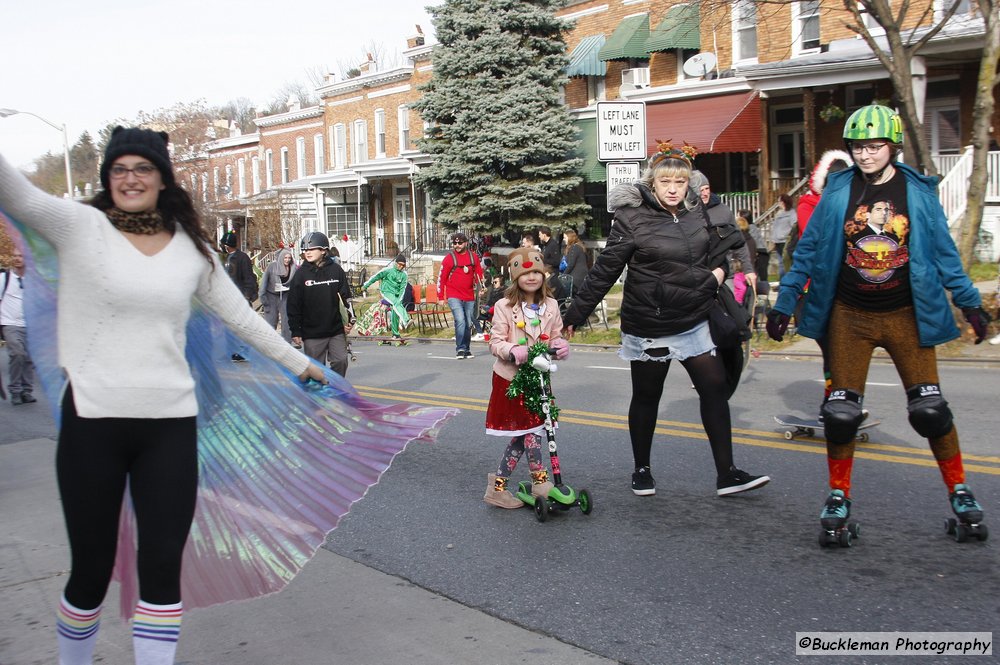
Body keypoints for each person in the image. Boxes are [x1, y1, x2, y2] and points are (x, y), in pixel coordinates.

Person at [0, 126, 327, 665]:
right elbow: (15, 194)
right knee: (89, 569)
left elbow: (242, 317)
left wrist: (300, 364)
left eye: (142, 168)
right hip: (92, 424)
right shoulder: (80, 225)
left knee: (160, 567)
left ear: (161, 178)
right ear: (108, 178)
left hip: (169, 427)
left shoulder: (191, 251)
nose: (131, 178)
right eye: (119, 169)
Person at [765, 104, 992, 539]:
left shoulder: (918, 193)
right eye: (858, 147)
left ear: (892, 147)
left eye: (874, 147)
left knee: (930, 410)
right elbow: (808, 251)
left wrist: (971, 304)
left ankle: (960, 490)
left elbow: (945, 255)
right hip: (850, 316)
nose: (865, 155)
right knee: (841, 414)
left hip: (907, 315)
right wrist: (784, 302)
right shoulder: (838, 192)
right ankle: (838, 494)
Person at [562, 141, 770, 498]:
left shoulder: (695, 213)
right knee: (647, 396)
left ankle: (727, 473)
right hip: (651, 323)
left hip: (693, 318)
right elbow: (606, 270)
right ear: (652, 183)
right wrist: (576, 314)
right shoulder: (632, 218)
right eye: (666, 183)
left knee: (715, 390)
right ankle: (641, 470)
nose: (673, 189)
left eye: (680, 182)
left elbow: (717, 255)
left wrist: (716, 276)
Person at [483, 247, 570, 508]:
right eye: (525, 272)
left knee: (531, 432)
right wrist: (512, 349)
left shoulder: (551, 305)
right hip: (512, 379)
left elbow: (555, 334)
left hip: (539, 378)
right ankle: (537, 482)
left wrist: (561, 345)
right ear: (515, 276)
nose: (531, 277)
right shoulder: (504, 306)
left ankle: (500, 486)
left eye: (536, 271)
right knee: (529, 430)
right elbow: (495, 342)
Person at [795, 149, 853, 406]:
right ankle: (833, 399)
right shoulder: (808, 205)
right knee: (831, 348)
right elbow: (816, 241)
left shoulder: (854, 202)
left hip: (849, 287)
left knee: (845, 351)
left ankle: (843, 398)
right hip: (816, 289)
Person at [287, 231, 356, 377]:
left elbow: (346, 297)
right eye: (305, 250)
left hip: (335, 329)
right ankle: (318, 396)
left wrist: (350, 319)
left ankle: (335, 387)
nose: (308, 252)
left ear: (323, 250)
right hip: (312, 332)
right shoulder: (301, 274)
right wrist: (295, 330)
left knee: (341, 360)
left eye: (312, 249)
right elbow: (293, 304)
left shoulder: (336, 270)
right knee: (316, 370)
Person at [691, 171, 757, 294]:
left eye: (707, 189)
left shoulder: (723, 211)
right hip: (696, 277)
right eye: (701, 190)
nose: (705, 193)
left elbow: (739, 241)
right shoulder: (686, 213)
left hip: (724, 275)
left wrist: (748, 269)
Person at [438, 232, 484, 359]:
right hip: (454, 295)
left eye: (460, 243)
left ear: (466, 243)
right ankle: (460, 348)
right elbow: (441, 278)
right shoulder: (449, 258)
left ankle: (467, 348)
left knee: (468, 323)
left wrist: (481, 287)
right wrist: (441, 296)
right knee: (460, 320)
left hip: (469, 295)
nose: (457, 245)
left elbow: (479, 274)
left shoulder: (473, 257)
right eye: (455, 243)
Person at [1, 247, 36, 404]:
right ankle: (15, 390)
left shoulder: (34, 280)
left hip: (30, 325)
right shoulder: (4, 279)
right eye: (15, 256)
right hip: (10, 324)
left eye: (21, 256)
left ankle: (26, 391)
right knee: (17, 353)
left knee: (29, 358)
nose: (17, 258)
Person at [361, 254, 411, 344]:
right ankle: (406, 321)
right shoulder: (387, 270)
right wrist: (365, 285)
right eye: (399, 264)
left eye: (403, 265)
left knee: (396, 308)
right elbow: (375, 277)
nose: (401, 267)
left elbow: (403, 288)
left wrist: (400, 299)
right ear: (395, 263)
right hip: (386, 291)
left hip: (396, 294)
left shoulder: (404, 274)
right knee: (396, 303)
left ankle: (395, 334)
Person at [258, 247, 297, 343]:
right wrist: (264, 300)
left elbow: (296, 283)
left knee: (286, 321)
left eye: (289, 258)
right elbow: (263, 283)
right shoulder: (272, 267)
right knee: (271, 320)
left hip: (285, 295)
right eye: (285, 258)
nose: (287, 260)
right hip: (271, 295)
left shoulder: (293, 268)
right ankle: (269, 343)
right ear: (281, 258)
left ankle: (287, 343)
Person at [221, 231, 257, 305]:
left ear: (227, 245)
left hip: (240, 299)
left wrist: (247, 296)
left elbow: (249, 278)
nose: (221, 246)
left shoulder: (242, 258)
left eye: (222, 244)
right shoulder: (226, 258)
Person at [770, 194, 797, 280]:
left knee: (787, 262)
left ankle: (788, 281)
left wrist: (786, 235)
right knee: (781, 263)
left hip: (786, 241)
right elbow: (775, 228)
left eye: (780, 201)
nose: (778, 203)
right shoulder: (778, 213)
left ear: (784, 202)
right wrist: (773, 239)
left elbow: (794, 226)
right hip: (777, 242)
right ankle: (782, 282)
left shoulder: (792, 213)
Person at [560, 229, 589, 296]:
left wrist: (563, 274)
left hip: (576, 276)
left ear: (569, 238)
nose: (564, 240)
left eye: (565, 238)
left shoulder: (574, 247)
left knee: (573, 295)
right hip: (582, 275)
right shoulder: (580, 246)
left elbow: (571, 264)